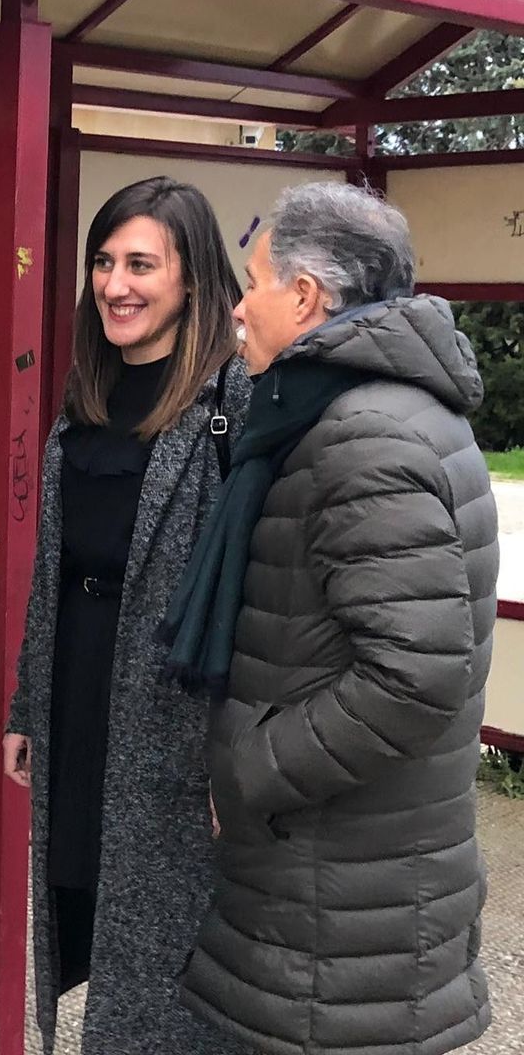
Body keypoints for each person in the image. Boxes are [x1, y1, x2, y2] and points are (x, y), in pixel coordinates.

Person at [165, 182, 494, 1055]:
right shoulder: (365, 411)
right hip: (349, 878)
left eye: (254, 280)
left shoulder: (364, 435)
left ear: (306, 296)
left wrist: (251, 767)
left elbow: (415, 679)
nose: (238, 307)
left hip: (345, 890)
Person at [4, 176, 253, 1054]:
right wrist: (29, 706)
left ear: (194, 279)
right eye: (104, 263)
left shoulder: (238, 400)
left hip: (179, 713)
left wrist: (244, 748)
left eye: (142, 263)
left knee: (173, 942)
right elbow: (52, 568)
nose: (115, 283)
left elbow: (268, 590)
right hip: (83, 690)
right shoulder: (87, 395)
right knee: (94, 903)